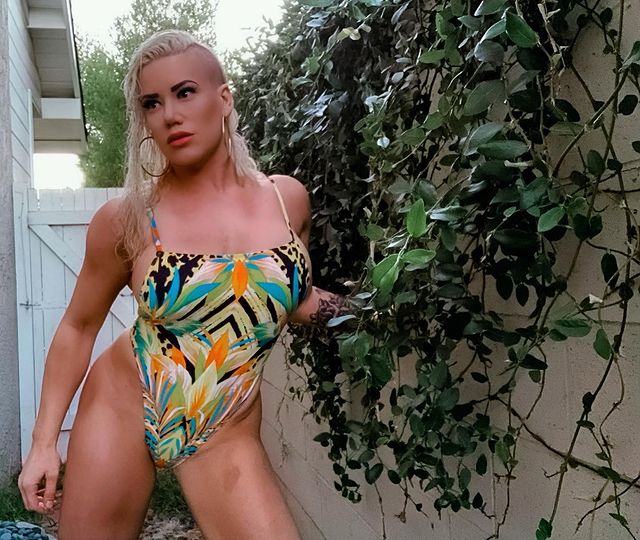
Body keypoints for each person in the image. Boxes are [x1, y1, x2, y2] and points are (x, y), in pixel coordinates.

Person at [18, 30, 351, 540]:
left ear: (225, 98)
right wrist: (44, 444)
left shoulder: (287, 201)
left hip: (224, 424)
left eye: (185, 92)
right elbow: (78, 327)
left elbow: (290, 295)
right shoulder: (128, 219)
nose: (170, 114)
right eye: (152, 103)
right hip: (123, 405)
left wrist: (373, 315)